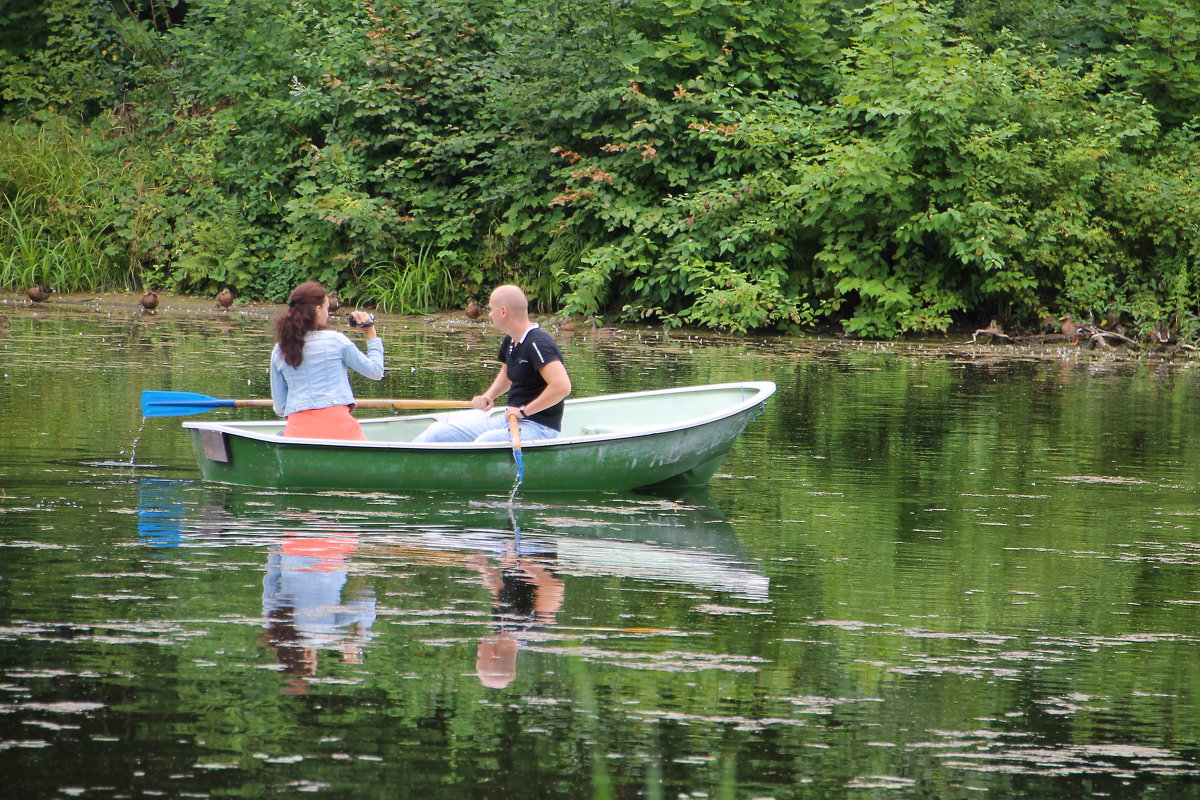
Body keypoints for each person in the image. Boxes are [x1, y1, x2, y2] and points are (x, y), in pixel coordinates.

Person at [414, 284, 571, 443]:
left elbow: (562, 386)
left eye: (491, 309)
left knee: (486, 441)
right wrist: (488, 396)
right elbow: (507, 373)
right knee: (438, 432)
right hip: (510, 419)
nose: (489, 314)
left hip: (539, 426)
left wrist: (524, 412)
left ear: (503, 311)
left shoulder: (538, 344)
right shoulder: (511, 339)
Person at [270, 281, 384, 440]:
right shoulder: (336, 340)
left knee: (280, 435)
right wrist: (371, 333)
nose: (327, 314)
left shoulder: (280, 349)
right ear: (318, 309)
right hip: (342, 432)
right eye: (326, 308)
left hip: (298, 433)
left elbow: (281, 407)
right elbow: (376, 371)